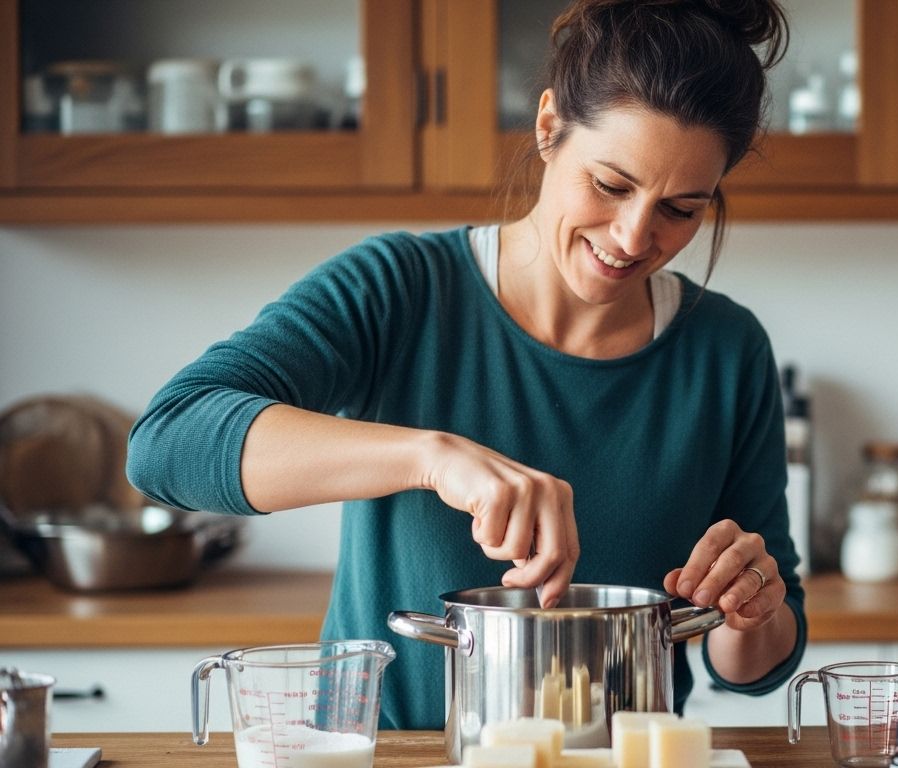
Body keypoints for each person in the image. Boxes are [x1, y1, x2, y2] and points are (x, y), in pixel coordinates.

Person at [127, 0, 805, 730]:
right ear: (549, 129)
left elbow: (756, 670)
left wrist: (750, 609)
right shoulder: (399, 287)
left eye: (681, 208)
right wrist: (432, 457)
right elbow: (168, 442)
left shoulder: (728, 350)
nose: (633, 235)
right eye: (610, 186)